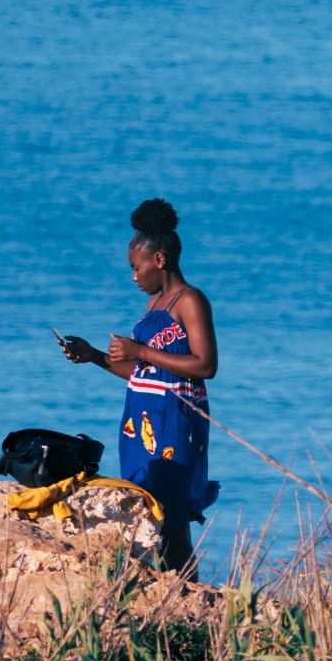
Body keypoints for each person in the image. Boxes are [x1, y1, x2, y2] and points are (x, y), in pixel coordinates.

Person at [59, 198, 219, 578]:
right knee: (152, 520)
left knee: (173, 523)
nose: (133, 276)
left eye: (136, 267)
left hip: (175, 426)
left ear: (159, 260)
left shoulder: (190, 301)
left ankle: (191, 606)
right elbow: (144, 374)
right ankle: (173, 600)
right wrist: (95, 356)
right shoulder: (153, 305)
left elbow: (205, 365)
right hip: (142, 426)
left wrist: (141, 349)